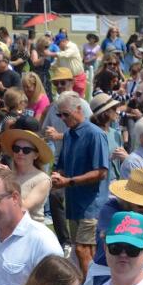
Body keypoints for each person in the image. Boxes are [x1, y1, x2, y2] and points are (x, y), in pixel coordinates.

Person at [50, 92, 108, 275]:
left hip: (92, 205)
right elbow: (62, 166)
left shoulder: (95, 134)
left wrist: (68, 182)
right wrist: (56, 176)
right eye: (59, 115)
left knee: (83, 250)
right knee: (83, 251)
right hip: (74, 205)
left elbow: (101, 172)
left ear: (78, 109)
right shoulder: (68, 135)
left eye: (65, 114)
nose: (62, 118)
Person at [1, 127, 53, 224]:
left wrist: (9, 181)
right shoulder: (7, 175)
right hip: (7, 227)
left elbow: (23, 208)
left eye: (26, 150)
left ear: (36, 155)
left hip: (30, 229)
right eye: (16, 149)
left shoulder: (43, 179)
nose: (20, 153)